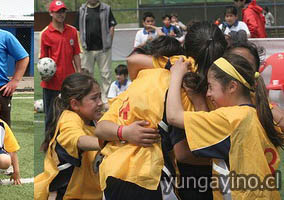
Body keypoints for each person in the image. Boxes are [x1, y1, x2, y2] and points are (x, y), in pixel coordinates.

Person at [96, 23, 227, 199]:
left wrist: (123, 131)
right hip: (152, 178)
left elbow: (101, 127)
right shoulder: (193, 83)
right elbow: (187, 150)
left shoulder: (149, 77)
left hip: (112, 173)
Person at [166, 54, 282, 199]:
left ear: (232, 86)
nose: (208, 93)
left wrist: (176, 76)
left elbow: (173, 115)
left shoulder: (231, 118)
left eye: (210, 86)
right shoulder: (259, 113)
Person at [34, 73, 103, 200]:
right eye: (94, 98)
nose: (100, 103)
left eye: (100, 97)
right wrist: (108, 141)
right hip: (65, 195)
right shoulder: (69, 119)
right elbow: (77, 139)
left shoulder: (93, 119)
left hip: (89, 193)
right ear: (75, 104)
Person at [39, 0, 81, 132]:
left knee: (71, 114)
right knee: (51, 116)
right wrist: (44, 76)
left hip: (69, 83)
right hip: (51, 83)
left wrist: (79, 73)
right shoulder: (45, 33)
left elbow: (76, 54)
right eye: (57, 12)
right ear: (51, 13)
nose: (61, 14)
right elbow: (43, 60)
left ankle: (68, 141)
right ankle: (49, 143)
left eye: (63, 11)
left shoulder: (73, 31)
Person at [76, 0, 117, 103]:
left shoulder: (106, 8)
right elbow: (77, 29)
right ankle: (88, 99)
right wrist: (80, 45)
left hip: (103, 49)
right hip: (86, 49)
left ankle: (106, 101)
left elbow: (112, 26)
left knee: (105, 75)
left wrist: (109, 42)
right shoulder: (82, 10)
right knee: (86, 76)